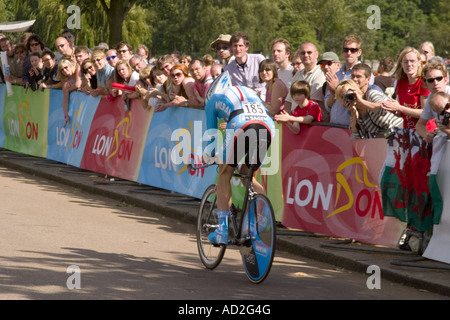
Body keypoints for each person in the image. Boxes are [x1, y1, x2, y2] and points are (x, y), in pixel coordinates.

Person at [203, 84, 275, 244]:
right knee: (248, 176)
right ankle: (257, 221)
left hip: (241, 123)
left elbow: (211, 139)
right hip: (268, 125)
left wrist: (207, 156)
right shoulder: (246, 91)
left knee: (224, 173)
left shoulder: (212, 101)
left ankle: (222, 231)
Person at [336, 64, 403, 139]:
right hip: (385, 140)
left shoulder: (372, 93)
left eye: (358, 76)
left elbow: (384, 109)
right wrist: (354, 113)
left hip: (400, 132)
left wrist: (361, 101)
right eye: (352, 76)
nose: (354, 79)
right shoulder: (354, 109)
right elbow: (358, 138)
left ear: (368, 79)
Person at [382, 47, 433, 131]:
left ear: (419, 63)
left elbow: (425, 112)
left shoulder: (424, 83)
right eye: (405, 62)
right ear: (401, 64)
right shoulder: (400, 82)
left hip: (425, 132)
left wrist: (399, 108)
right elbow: (400, 112)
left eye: (412, 61)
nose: (409, 64)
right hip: (407, 131)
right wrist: (392, 109)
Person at [285, 42, 326, 119]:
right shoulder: (297, 74)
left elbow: (314, 102)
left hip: (311, 123)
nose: (306, 55)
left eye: (309, 52)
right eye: (303, 53)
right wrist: (287, 115)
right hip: (295, 122)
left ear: (316, 54)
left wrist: (292, 118)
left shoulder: (320, 73)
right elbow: (288, 100)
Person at [415, 62, 450, 143]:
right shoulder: (431, 97)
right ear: (425, 84)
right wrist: (427, 135)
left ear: (446, 79)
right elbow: (419, 125)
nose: (435, 83)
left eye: (439, 78)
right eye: (431, 80)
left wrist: (444, 130)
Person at [223, 32, 266, 97]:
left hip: (263, 100)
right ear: (231, 48)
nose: (237, 49)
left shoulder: (259, 60)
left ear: (246, 47)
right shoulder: (228, 69)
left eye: (240, 46)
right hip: (242, 102)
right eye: (235, 46)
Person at [55, 58, 82, 126]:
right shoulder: (66, 82)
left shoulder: (78, 69)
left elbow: (78, 85)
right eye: (62, 69)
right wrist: (66, 115)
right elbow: (65, 100)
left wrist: (69, 89)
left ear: (70, 66)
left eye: (66, 67)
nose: (64, 70)